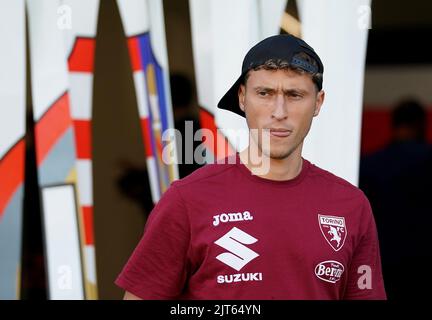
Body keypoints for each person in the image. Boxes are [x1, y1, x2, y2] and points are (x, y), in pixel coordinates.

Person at [115, 34, 386, 299]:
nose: (279, 112)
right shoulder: (187, 200)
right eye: (264, 93)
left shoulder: (351, 205)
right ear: (242, 98)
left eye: (295, 95)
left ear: (318, 103)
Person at [360, 99, 432, 300]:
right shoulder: (427, 161)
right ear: (421, 124)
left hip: (383, 258)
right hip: (424, 259)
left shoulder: (369, 164)